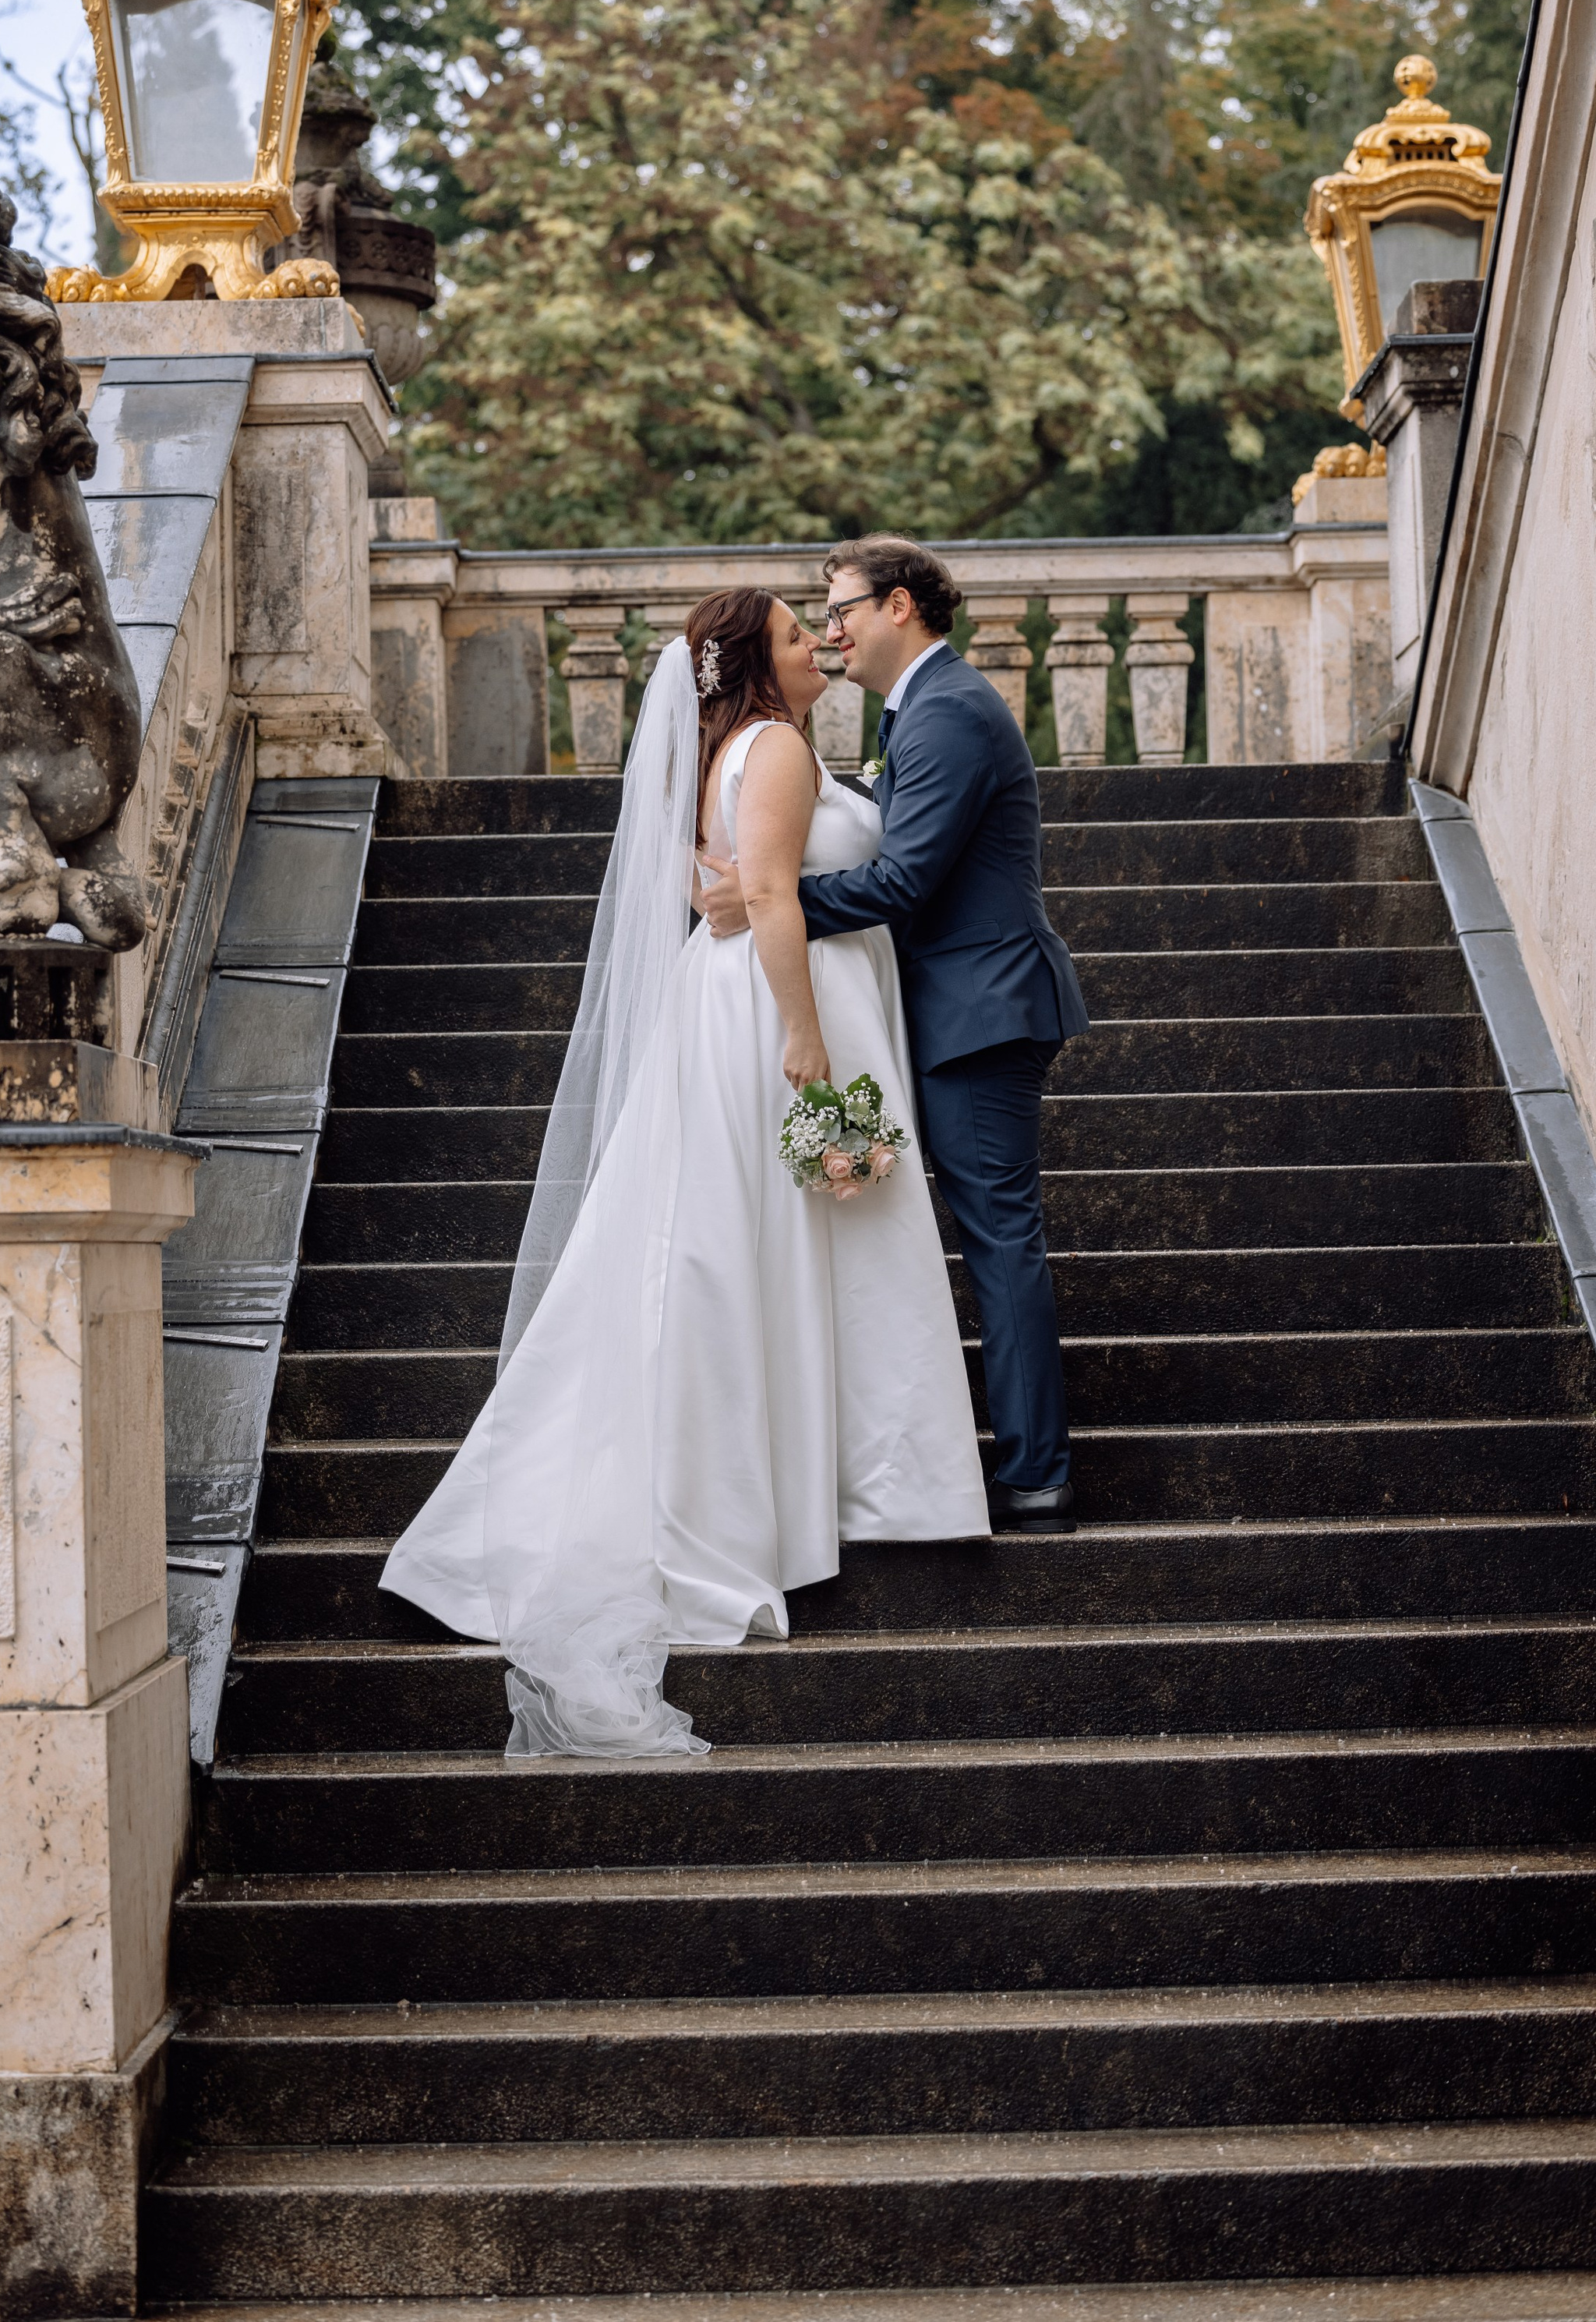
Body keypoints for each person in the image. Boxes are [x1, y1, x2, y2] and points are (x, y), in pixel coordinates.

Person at [380, 585, 988, 1758]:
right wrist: (803, 1036)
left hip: (766, 1004)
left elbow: (731, 887)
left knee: (780, 1247)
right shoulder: (772, 749)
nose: (820, 644)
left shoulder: (749, 749)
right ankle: (778, 1499)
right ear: (755, 666)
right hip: (780, 1020)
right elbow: (763, 895)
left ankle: (824, 1489)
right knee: (755, 1248)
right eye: (798, 635)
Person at [702, 535, 1088, 1530]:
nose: (830, 631)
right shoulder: (912, 709)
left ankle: (1036, 1471)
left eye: (841, 609)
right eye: (817, 621)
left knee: (1001, 1238)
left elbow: (907, 880)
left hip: (979, 1010)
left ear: (901, 605)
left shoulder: (948, 710)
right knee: (990, 1233)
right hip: (954, 1006)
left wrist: (771, 900)